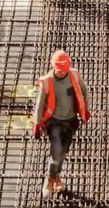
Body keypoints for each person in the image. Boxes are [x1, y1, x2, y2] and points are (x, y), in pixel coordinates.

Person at [32, 49, 92, 195]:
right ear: (53, 67)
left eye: (64, 70)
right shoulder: (47, 81)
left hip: (70, 122)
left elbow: (85, 90)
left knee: (63, 151)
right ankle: (49, 180)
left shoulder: (74, 75)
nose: (62, 73)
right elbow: (39, 105)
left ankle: (56, 176)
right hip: (55, 123)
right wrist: (37, 124)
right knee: (56, 151)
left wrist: (86, 111)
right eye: (60, 70)